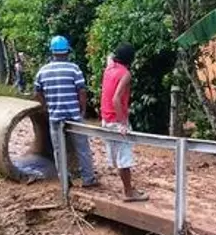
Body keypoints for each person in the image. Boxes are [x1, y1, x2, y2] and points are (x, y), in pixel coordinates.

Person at [34, 35, 98, 188]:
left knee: (58, 150)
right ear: (67, 52)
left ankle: (65, 181)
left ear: (52, 52)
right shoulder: (74, 69)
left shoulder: (43, 71)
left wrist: (46, 107)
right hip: (74, 116)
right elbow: (81, 91)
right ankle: (88, 179)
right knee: (82, 148)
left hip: (55, 117)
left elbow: (37, 92)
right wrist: (82, 110)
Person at [100, 42, 147, 202]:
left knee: (119, 158)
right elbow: (116, 99)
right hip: (116, 119)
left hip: (106, 119)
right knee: (124, 158)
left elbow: (109, 58)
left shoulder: (109, 69)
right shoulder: (125, 74)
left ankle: (128, 188)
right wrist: (122, 124)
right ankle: (128, 192)